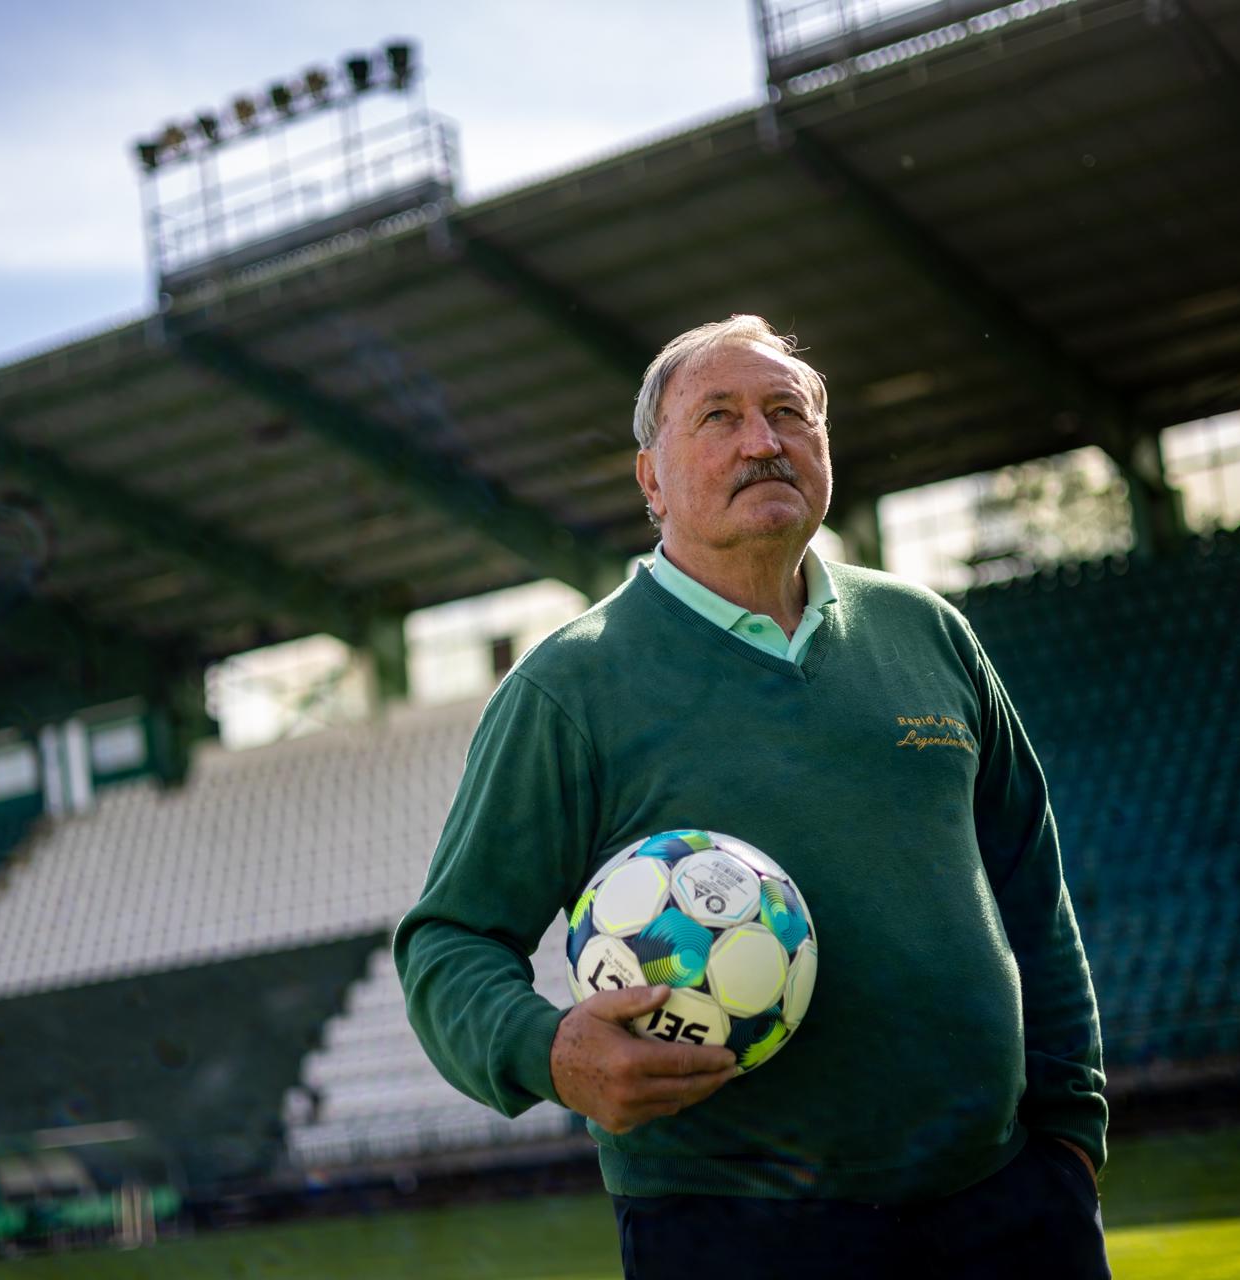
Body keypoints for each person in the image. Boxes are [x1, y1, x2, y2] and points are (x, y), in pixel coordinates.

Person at [395, 316, 1109, 1278]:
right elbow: (448, 943)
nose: (762, 441)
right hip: (733, 1230)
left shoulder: (927, 631)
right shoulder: (571, 689)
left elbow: (1032, 891)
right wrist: (551, 1049)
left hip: (1010, 1205)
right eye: (719, 417)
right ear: (651, 479)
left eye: (788, 413)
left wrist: (1069, 1136)